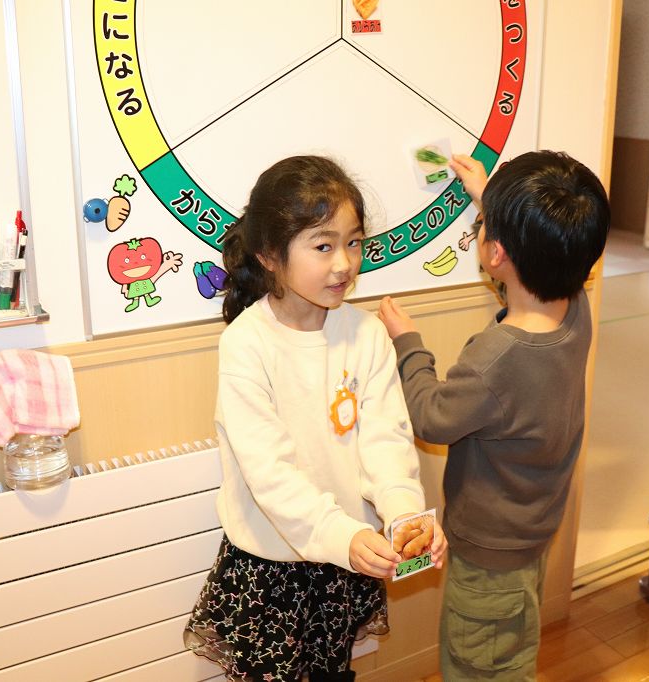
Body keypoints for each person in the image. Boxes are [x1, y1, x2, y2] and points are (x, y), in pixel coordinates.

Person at [185, 155, 446, 682]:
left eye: (354, 242)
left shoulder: (367, 334)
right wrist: (338, 534)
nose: (344, 263)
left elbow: (386, 440)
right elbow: (269, 473)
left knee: (334, 673)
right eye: (323, 246)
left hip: (346, 556)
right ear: (269, 254)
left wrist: (404, 515)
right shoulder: (247, 343)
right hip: (271, 563)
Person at [378, 150, 610, 680]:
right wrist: (491, 201)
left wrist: (408, 342)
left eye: (484, 227)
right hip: (530, 532)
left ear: (497, 252)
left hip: (488, 557)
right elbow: (541, 252)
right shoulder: (575, 309)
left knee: (479, 666)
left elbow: (432, 417)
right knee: (511, 647)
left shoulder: (496, 359)